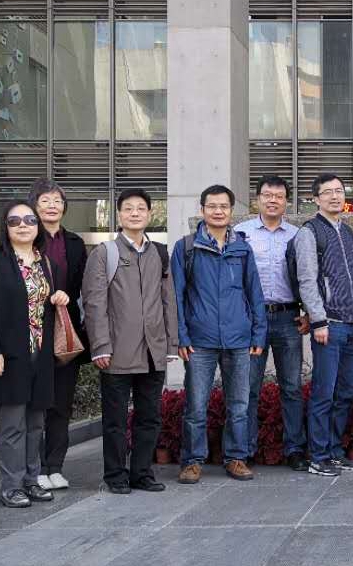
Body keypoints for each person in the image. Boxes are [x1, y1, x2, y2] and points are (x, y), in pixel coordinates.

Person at [82, 188, 178, 494]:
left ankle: (142, 473)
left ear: (149, 214)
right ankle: (115, 475)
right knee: (115, 420)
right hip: (116, 351)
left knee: (149, 417)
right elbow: (94, 302)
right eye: (128, 208)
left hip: (153, 350)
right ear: (119, 215)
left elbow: (168, 301)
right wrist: (100, 345)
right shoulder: (104, 253)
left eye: (140, 208)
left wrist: (171, 345)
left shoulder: (159, 253)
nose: (135, 213)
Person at [0, 201, 71, 508]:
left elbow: (45, 305)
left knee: (35, 424)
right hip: (10, 356)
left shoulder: (47, 264)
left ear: (38, 226)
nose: (22, 225)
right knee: (13, 424)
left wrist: (59, 296)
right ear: (5, 227)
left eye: (29, 220)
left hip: (41, 357)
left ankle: (32, 480)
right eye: (14, 220)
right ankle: (12, 486)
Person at [172, 184, 267, 484]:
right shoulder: (186, 248)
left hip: (238, 339)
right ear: (202, 210)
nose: (218, 211)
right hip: (199, 341)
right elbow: (176, 296)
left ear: (231, 211)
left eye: (223, 206)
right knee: (196, 406)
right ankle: (192, 461)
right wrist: (182, 336)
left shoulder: (242, 248)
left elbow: (255, 293)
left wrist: (258, 334)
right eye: (212, 206)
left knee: (239, 405)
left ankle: (236, 458)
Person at [294, 173, 353, 477]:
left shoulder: (347, 231)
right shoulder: (310, 232)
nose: (335, 196)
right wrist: (318, 320)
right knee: (323, 393)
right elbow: (306, 279)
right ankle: (318, 456)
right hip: (329, 325)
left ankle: (335, 452)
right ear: (316, 199)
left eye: (339, 190)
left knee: (344, 393)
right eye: (328, 192)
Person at [234, 175, 311, 470]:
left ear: (286, 202)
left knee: (291, 386)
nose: (273, 200)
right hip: (251, 320)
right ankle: (244, 450)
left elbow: (308, 277)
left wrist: (309, 313)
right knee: (248, 387)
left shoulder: (297, 235)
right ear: (258, 199)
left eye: (279, 196)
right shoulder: (240, 234)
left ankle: (295, 449)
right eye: (267, 195)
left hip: (288, 318)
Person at [28, 179, 89, 492]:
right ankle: (34, 467)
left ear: (64, 207)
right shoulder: (26, 237)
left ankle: (55, 466)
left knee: (61, 404)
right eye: (45, 200)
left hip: (66, 330)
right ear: (34, 206)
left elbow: (83, 285)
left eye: (57, 201)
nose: (52, 206)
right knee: (35, 404)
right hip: (33, 330)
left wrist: (66, 295)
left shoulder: (75, 243)